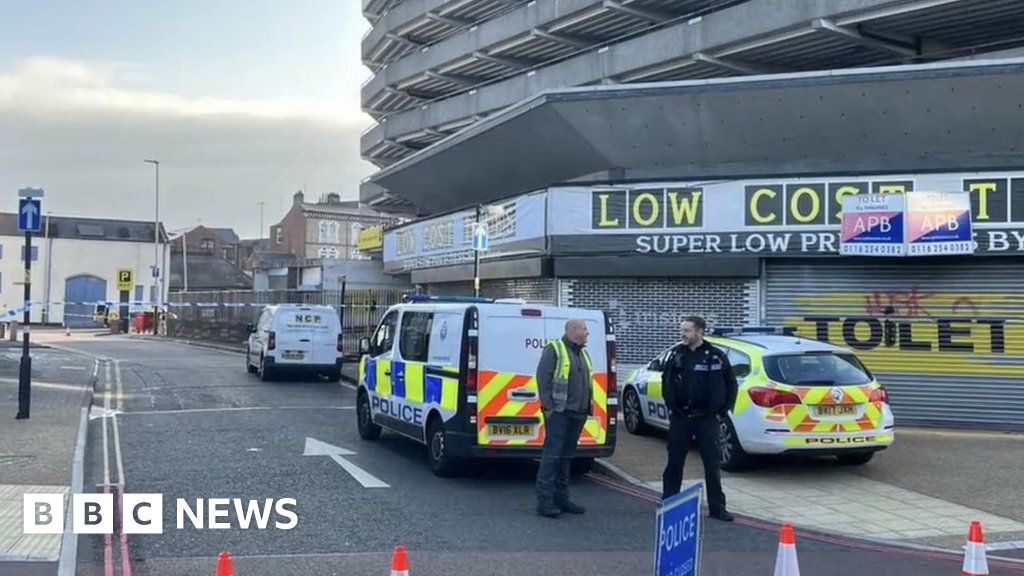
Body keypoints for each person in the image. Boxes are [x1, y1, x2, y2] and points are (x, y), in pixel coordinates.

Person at [661, 316, 738, 522]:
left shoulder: (716, 356)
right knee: (674, 463)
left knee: (712, 465)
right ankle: (669, 504)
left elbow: (731, 385)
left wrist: (722, 412)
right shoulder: (676, 355)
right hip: (681, 417)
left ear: (700, 332)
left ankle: (717, 508)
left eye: (687, 330)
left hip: (706, 418)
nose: (683, 334)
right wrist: (671, 406)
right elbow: (665, 380)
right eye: (682, 330)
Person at [535, 318, 592, 518]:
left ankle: (562, 498)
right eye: (584, 329)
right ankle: (545, 501)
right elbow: (544, 379)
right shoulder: (555, 349)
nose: (586, 333)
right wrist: (549, 409)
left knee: (566, 458)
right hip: (559, 413)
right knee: (552, 457)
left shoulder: (582, 353)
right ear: (573, 330)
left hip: (577, 413)